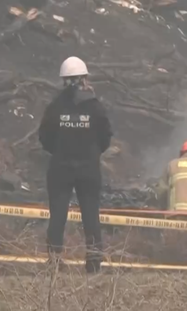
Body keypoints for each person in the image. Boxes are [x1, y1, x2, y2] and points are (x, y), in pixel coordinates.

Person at [38, 56, 112, 273]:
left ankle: (54, 262)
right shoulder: (95, 107)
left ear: (63, 80)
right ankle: (94, 264)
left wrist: (61, 151)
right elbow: (106, 137)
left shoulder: (55, 107)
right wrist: (91, 153)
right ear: (85, 78)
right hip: (88, 170)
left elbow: (44, 137)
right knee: (91, 216)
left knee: (58, 215)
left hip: (60, 168)